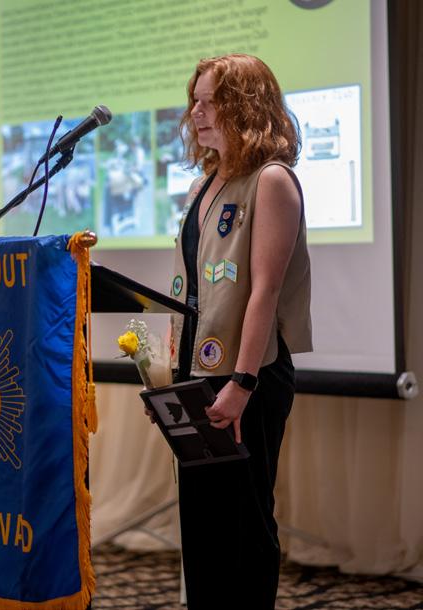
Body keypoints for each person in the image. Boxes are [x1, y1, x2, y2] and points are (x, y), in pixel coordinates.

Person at [150, 54, 313, 609]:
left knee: (243, 521)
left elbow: (264, 291)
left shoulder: (272, 181)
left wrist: (241, 385)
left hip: (250, 375)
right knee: (203, 524)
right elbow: (193, 289)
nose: (195, 112)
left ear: (244, 106)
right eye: (194, 101)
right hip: (198, 373)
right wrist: (169, 380)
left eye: (209, 101)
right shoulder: (204, 183)